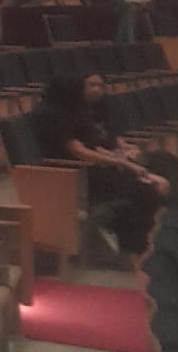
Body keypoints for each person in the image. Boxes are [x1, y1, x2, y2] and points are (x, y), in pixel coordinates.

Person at [31, 74, 167, 262]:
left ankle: (141, 244)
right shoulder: (54, 116)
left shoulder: (64, 111)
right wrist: (121, 162)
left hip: (86, 171)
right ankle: (135, 247)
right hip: (74, 177)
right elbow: (77, 150)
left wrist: (117, 155)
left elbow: (93, 144)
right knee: (145, 192)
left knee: (158, 168)